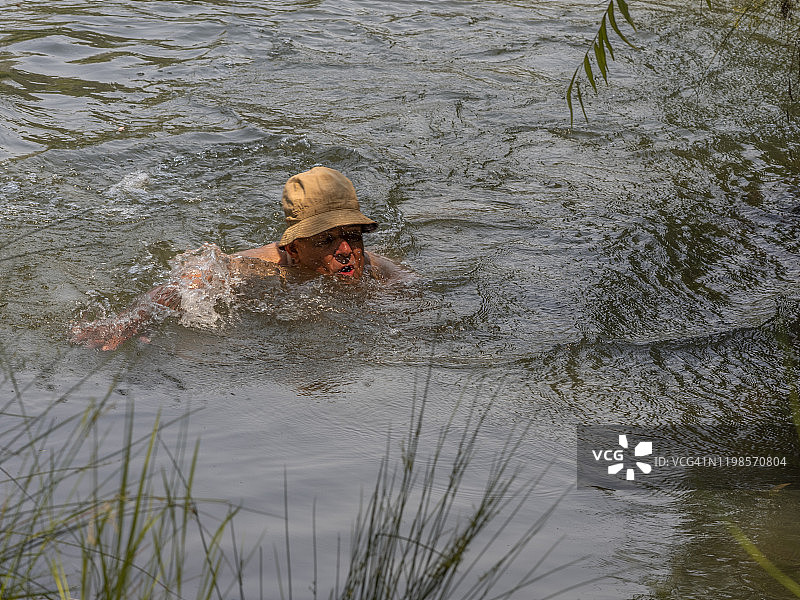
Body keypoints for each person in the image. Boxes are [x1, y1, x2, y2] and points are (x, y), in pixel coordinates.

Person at [70, 166, 408, 350]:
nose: (346, 251)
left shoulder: (374, 267)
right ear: (293, 248)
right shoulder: (260, 267)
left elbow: (414, 290)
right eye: (326, 240)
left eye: (353, 235)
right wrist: (132, 318)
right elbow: (192, 279)